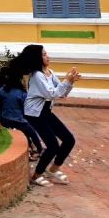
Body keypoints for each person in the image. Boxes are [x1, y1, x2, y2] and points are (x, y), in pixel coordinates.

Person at [11, 44, 81, 187]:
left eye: (46, 53)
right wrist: (67, 81)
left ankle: (53, 169)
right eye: (43, 54)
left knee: (69, 140)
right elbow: (52, 93)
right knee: (52, 146)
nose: (47, 56)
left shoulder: (49, 72)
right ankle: (36, 175)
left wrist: (70, 82)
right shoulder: (37, 76)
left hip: (46, 112)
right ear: (37, 58)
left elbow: (61, 94)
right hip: (34, 114)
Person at [0, 66, 42, 160]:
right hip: (19, 120)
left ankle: (30, 149)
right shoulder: (21, 93)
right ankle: (39, 150)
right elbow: (27, 107)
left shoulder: (2, 90)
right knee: (32, 133)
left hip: (5, 119)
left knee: (25, 133)